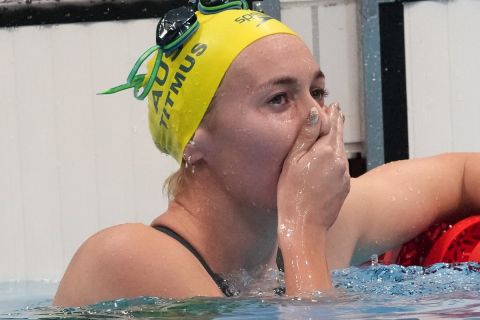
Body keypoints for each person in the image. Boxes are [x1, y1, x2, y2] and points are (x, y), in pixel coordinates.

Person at [53, 2, 480, 307]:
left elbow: (460, 176)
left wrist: (302, 233)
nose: (318, 118)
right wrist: (304, 235)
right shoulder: (127, 258)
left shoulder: (312, 230)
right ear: (194, 140)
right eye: (279, 99)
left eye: (317, 92)